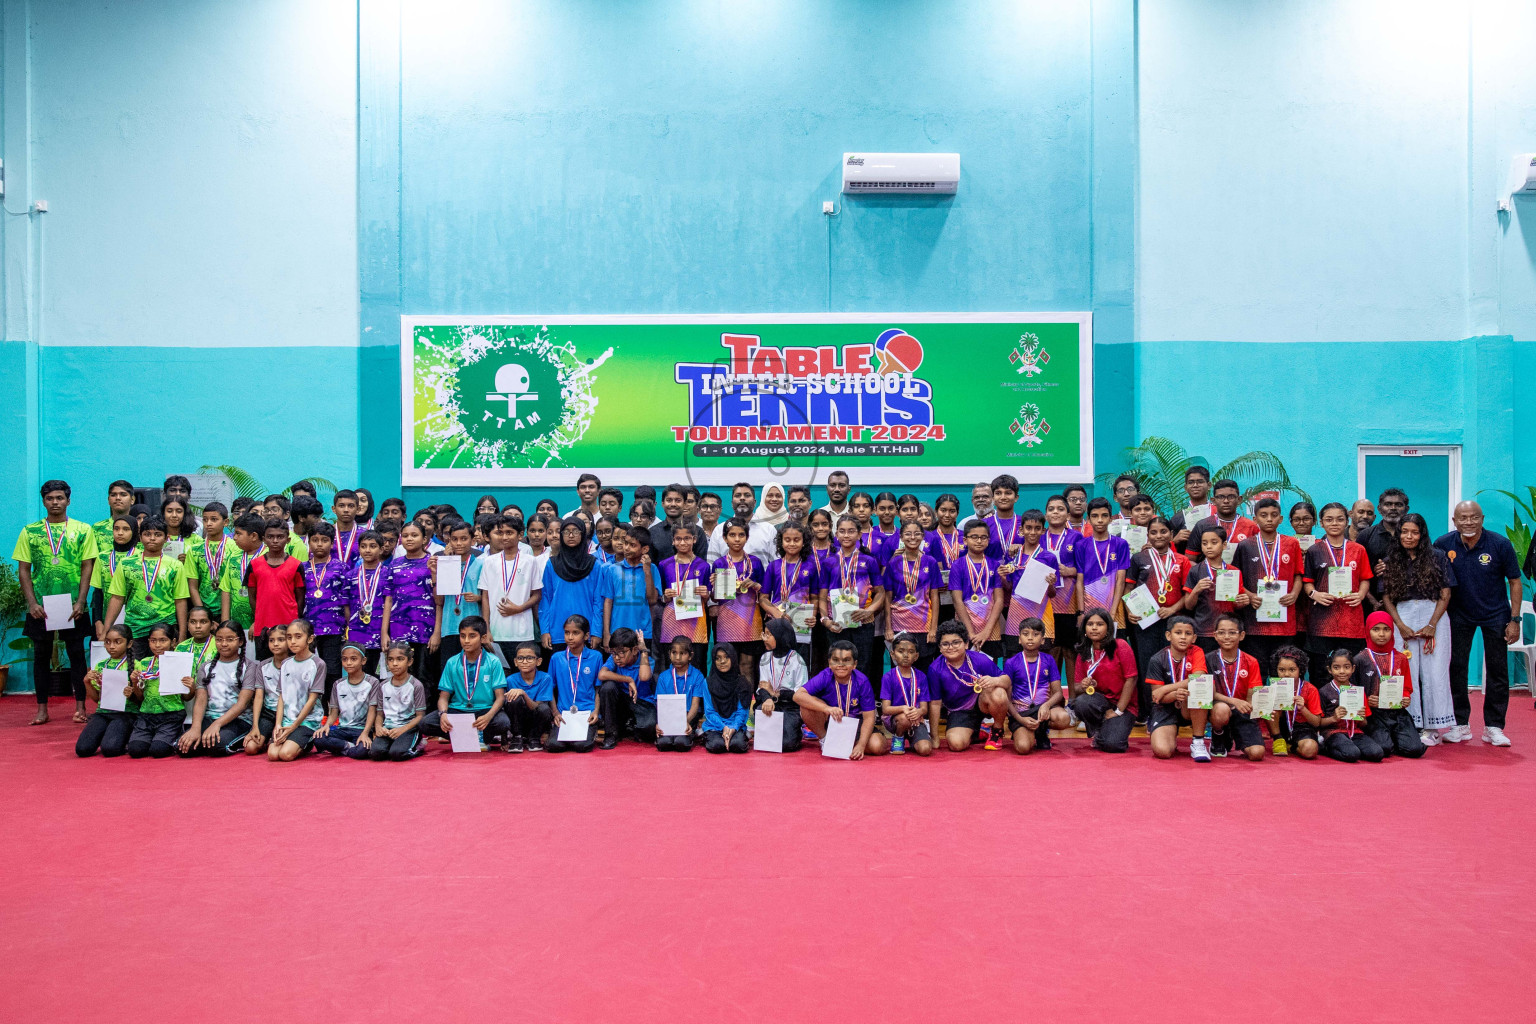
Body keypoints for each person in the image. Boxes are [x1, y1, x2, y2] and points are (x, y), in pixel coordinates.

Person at [1435, 500, 1521, 747]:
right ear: (1455, 521)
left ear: (1482, 518)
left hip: (1496, 615)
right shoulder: (1443, 544)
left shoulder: (1500, 544)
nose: (1469, 522)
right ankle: (1460, 725)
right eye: (1463, 518)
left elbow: (1515, 582)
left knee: (1497, 670)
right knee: (1457, 668)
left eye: (1474, 517)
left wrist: (1514, 619)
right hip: (1458, 615)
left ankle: (1494, 727)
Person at [13, 479, 98, 725]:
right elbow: (24, 570)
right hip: (42, 605)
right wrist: (32, 603)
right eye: (50, 498)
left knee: (76, 654)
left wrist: (81, 601)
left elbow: (87, 566)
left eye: (59, 498)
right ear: (44, 501)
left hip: (73, 605)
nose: (55, 502)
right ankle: (42, 709)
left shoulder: (83, 530)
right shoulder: (30, 531)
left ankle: (81, 707)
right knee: (40, 655)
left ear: (68, 501)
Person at [1378, 512, 1455, 745]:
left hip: (1435, 616)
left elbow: (1445, 593)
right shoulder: (1390, 560)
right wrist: (1399, 625)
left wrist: (1432, 624)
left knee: (1435, 672)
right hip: (1403, 617)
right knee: (1405, 671)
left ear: (1422, 534)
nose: (1408, 536)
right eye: (1404, 531)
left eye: (1414, 532)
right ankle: (1410, 723)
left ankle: (1433, 727)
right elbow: (1386, 597)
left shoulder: (1438, 557)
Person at [1301, 503, 1373, 688]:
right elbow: (1307, 581)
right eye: (1329, 519)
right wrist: (1315, 594)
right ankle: (1322, 714)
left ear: (1347, 522)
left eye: (1340, 519)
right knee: (1320, 672)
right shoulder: (1314, 551)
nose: (1335, 523)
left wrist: (1360, 595)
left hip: (1351, 621)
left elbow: (1365, 578)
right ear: (1321, 523)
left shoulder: (1358, 550)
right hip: (1321, 622)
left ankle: (1351, 714)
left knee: (1352, 671)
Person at [1230, 497, 1305, 671]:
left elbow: (1299, 575)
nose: (1269, 519)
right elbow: (1234, 578)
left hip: (1285, 621)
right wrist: (1250, 596)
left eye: (1274, 515)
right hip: (1255, 621)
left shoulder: (1292, 544)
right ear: (1255, 519)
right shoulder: (1245, 546)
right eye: (1264, 515)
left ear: (1281, 518)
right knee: (1258, 669)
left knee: (1284, 669)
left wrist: (1294, 594)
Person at [103, 515, 190, 659]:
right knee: (136, 672)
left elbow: (180, 600)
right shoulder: (126, 564)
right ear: (140, 537)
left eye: (157, 534)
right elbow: (117, 598)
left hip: (165, 628)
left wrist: (181, 634)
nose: (152, 538)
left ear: (166, 538)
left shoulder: (175, 565)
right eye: (147, 534)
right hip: (135, 628)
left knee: (164, 672)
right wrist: (106, 628)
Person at [421, 616, 510, 748]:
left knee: (503, 723)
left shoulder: (493, 662)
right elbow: (443, 697)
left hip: (484, 710)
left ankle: (472, 736)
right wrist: (443, 714)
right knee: (425, 723)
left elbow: (500, 697)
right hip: (458, 710)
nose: (466, 641)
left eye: (472, 636)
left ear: (483, 638)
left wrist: (488, 716)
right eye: (463, 636)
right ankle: (471, 736)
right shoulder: (452, 662)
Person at [927, 620, 1011, 751]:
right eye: (945, 644)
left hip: (982, 704)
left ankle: (997, 730)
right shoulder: (935, 669)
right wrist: (934, 737)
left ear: (966, 644)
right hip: (959, 711)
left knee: (999, 692)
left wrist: (994, 681)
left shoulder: (979, 659)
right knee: (956, 744)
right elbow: (935, 703)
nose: (951, 647)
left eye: (956, 642)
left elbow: (1006, 680)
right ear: (940, 647)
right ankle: (977, 732)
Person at [177, 619, 256, 757]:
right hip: (210, 717)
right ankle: (202, 739)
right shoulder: (206, 667)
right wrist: (196, 727)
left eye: (230, 639)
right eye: (219, 639)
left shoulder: (249, 667)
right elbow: (200, 700)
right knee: (184, 748)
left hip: (238, 720)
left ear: (241, 642)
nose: (224, 644)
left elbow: (242, 704)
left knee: (216, 747)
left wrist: (217, 724)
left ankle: (240, 739)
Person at [822, 515, 886, 684]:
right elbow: (822, 597)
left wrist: (869, 611)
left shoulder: (869, 561)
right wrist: (825, 620)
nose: (846, 535)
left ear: (859, 535)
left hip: (862, 623)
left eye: (851, 531)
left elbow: (880, 593)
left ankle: (858, 704)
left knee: (862, 664)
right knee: (837, 663)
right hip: (836, 624)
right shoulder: (829, 562)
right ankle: (838, 702)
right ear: (836, 534)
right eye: (842, 531)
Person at [1353, 611, 1426, 759]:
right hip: (1374, 714)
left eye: (1386, 629)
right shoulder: (1360, 659)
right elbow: (1353, 689)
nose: (1381, 634)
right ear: (1368, 631)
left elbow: (1407, 686)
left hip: (1397, 712)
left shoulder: (1400, 658)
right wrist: (1367, 701)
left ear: (1392, 632)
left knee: (1415, 750)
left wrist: (1405, 698)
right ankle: (1388, 739)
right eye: (1376, 629)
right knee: (1384, 748)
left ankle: (1396, 738)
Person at [793, 639, 877, 759]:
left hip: (856, 725)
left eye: (846, 660)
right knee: (806, 704)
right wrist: (827, 708)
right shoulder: (826, 675)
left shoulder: (862, 681)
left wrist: (861, 745)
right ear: (829, 662)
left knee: (877, 745)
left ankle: (848, 745)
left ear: (855, 664)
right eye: (836, 660)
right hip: (831, 722)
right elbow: (798, 696)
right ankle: (825, 740)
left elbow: (869, 717)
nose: (841, 665)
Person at [1070, 608, 1138, 752]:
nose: (1094, 628)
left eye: (1100, 624)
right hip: (1100, 703)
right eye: (1090, 624)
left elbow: (1131, 679)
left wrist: (1118, 711)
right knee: (1081, 703)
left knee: (1113, 745)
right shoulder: (1083, 652)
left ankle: (1106, 732)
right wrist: (1084, 685)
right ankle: (1101, 729)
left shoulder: (1121, 645)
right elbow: (1076, 688)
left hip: (1124, 706)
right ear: (1084, 628)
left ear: (1108, 628)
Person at [709, 517, 767, 682]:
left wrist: (755, 584)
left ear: (747, 538)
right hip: (727, 621)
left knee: (747, 664)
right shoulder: (719, 563)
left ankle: (747, 704)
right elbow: (715, 597)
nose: (736, 539)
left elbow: (764, 591)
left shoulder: (755, 563)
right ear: (725, 538)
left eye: (741, 535)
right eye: (732, 535)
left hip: (750, 620)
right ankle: (731, 704)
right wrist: (714, 586)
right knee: (728, 664)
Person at [479, 516, 541, 668]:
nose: (504, 537)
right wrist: (486, 629)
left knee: (522, 672)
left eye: (509, 532)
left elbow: (537, 595)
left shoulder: (530, 561)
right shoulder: (489, 562)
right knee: (500, 675)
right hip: (496, 630)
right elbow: (485, 597)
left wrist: (519, 608)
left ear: (520, 535)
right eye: (500, 533)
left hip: (523, 631)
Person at [1145, 615, 1209, 760]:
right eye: (1178, 633)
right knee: (1163, 751)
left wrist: (1167, 688)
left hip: (1189, 706)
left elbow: (1198, 677)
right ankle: (1169, 734)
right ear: (1168, 635)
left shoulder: (1197, 651)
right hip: (1165, 707)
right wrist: (1174, 694)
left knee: (1201, 686)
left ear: (1194, 638)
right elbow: (1157, 696)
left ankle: (1198, 741)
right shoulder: (1157, 659)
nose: (1183, 637)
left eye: (1188, 634)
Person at [1205, 613, 1266, 761]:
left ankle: (1234, 733)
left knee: (1257, 753)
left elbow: (1252, 695)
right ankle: (1219, 735)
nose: (1227, 636)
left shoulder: (1251, 661)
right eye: (1222, 632)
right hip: (1218, 709)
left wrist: (1256, 709)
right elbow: (1208, 693)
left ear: (1242, 635)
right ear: (1215, 635)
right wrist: (1233, 702)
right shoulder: (1207, 659)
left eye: (1232, 632)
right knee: (1221, 709)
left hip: (1241, 711)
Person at [1003, 618, 1069, 754]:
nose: (1030, 638)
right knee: (1023, 748)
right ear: (1019, 639)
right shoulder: (1011, 663)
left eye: (1035, 634)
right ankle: (1024, 732)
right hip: (1021, 713)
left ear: (1043, 640)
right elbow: (1006, 699)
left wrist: (1046, 705)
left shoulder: (1048, 660)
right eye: (1025, 634)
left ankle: (1041, 732)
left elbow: (1058, 693)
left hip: (1042, 711)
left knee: (1064, 718)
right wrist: (1019, 719)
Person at [539, 517, 604, 655]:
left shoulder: (594, 565)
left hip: (586, 632)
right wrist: (545, 630)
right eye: (566, 531)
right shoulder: (552, 564)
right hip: (557, 631)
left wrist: (596, 632)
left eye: (575, 531)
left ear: (583, 534)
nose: (570, 535)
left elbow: (598, 602)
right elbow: (545, 600)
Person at [999, 509, 1058, 660]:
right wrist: (1003, 578)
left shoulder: (1049, 557)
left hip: (1041, 613)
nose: (1032, 532)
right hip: (1016, 615)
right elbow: (1009, 588)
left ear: (1043, 531)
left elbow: (1052, 594)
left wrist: (1051, 584)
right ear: (1021, 530)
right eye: (1028, 528)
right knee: (1013, 658)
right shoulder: (1013, 555)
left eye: (1037, 528)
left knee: (1042, 659)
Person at [125, 624, 189, 758]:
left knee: (158, 750)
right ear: (148, 642)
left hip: (171, 714)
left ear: (173, 642)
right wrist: (135, 683)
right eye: (153, 641)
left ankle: (174, 735)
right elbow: (140, 698)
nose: (157, 645)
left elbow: (187, 697)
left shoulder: (181, 662)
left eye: (163, 640)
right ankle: (154, 737)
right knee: (135, 750)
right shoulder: (144, 663)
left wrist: (191, 687)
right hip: (147, 715)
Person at [245, 519, 306, 659]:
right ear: (264, 539)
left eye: (280, 537)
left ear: (288, 539)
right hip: (263, 629)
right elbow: (252, 596)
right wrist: (259, 616)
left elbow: (300, 597)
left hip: (289, 628)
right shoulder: (254, 565)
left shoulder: (296, 565)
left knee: (289, 666)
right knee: (265, 667)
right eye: (271, 537)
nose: (275, 540)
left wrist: (295, 623)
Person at [882, 520, 941, 665]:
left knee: (924, 666)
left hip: (924, 624)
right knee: (900, 667)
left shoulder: (930, 561)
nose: (912, 537)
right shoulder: (893, 563)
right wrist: (888, 628)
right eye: (908, 534)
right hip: (898, 624)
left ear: (923, 537)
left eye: (917, 534)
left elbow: (934, 596)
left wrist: (933, 629)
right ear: (901, 537)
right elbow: (887, 597)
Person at [761, 522, 820, 665]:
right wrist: (776, 612)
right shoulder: (773, 566)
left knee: (801, 663)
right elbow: (763, 598)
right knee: (775, 663)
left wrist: (813, 615)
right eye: (787, 540)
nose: (792, 543)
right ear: (781, 542)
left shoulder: (810, 566)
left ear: (804, 542)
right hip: (776, 623)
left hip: (801, 625)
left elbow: (815, 597)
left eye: (796, 540)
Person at [268, 619, 326, 762]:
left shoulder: (318, 664)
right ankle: (292, 739)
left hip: (307, 722)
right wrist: (278, 724)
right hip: (287, 721)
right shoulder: (286, 663)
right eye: (289, 637)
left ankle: (309, 741)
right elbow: (281, 696)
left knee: (285, 754)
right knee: (273, 755)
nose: (292, 641)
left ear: (310, 638)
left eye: (298, 637)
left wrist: (294, 726)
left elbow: (312, 699)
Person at [302, 522, 349, 690]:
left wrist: (347, 625)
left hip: (334, 627)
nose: (319, 544)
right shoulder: (303, 568)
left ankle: (331, 708)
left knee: (332, 669)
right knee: (310, 669)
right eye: (315, 540)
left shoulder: (341, 568)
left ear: (332, 543)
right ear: (309, 542)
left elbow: (346, 600)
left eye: (324, 540)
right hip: (308, 629)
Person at [431, 520, 483, 672]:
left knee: (472, 671)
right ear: (449, 540)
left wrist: (477, 598)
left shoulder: (481, 564)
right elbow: (439, 601)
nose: (459, 543)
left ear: (472, 540)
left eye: (464, 538)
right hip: (449, 627)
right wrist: (435, 574)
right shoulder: (445, 564)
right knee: (450, 672)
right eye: (454, 539)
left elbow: (488, 598)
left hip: (473, 625)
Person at [77, 624, 137, 757]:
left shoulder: (136, 665)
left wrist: (132, 693)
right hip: (103, 713)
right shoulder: (100, 665)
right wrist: (87, 682)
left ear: (129, 643)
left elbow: (141, 699)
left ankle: (126, 737)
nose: (111, 646)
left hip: (126, 714)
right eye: (107, 642)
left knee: (110, 749)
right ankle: (109, 733)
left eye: (117, 642)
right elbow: (96, 699)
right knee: (82, 749)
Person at [546, 614, 602, 752]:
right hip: (564, 714)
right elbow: (549, 689)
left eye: (575, 633)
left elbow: (598, 688)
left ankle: (591, 732)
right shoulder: (556, 658)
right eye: (567, 633)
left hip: (587, 714)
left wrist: (596, 711)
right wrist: (555, 713)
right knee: (553, 746)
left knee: (582, 747)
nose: (570, 637)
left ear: (586, 635)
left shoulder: (595, 657)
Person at [657, 524, 710, 670]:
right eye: (678, 539)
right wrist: (665, 596)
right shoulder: (664, 565)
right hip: (672, 620)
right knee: (671, 664)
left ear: (694, 539)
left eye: (687, 538)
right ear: (673, 541)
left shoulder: (704, 566)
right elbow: (660, 595)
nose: (682, 542)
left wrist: (706, 594)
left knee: (697, 663)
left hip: (696, 622)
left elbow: (707, 597)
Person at [312, 643, 378, 758]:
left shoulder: (372, 682)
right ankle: (348, 747)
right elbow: (334, 712)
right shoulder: (338, 684)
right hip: (342, 729)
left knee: (362, 750)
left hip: (361, 730)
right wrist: (326, 726)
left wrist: (365, 733)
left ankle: (341, 749)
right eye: (345, 659)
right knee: (318, 738)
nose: (348, 663)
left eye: (353, 659)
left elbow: (373, 710)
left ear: (363, 661)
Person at [1317, 648, 1383, 763]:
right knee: (1352, 754)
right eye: (1336, 667)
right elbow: (1318, 723)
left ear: (1353, 669)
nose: (1342, 671)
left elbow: (1364, 723)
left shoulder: (1358, 691)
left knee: (1377, 753)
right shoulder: (1324, 691)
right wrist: (1333, 718)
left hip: (1355, 732)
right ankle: (1326, 748)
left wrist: (1362, 718)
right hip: (1333, 732)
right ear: (1330, 670)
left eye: (1346, 667)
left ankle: (1350, 748)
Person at [872, 632, 933, 756]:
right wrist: (904, 709)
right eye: (901, 651)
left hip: (916, 719)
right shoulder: (888, 677)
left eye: (911, 652)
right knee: (904, 718)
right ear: (893, 654)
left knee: (925, 750)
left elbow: (924, 708)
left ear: (916, 656)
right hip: (896, 719)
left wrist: (918, 712)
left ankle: (914, 737)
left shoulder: (921, 676)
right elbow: (885, 709)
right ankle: (898, 737)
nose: (906, 655)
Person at [949, 520, 1004, 658]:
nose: (979, 541)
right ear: (965, 540)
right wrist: (971, 633)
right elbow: (957, 601)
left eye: (983, 537)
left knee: (990, 672)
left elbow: (999, 600)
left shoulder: (994, 565)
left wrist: (987, 631)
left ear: (988, 540)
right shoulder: (958, 565)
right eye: (974, 537)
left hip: (991, 630)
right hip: (965, 629)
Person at [601, 524, 659, 650]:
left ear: (644, 549)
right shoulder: (612, 569)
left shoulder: (652, 569)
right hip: (617, 631)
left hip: (643, 633)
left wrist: (647, 571)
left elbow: (653, 600)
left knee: (642, 667)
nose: (626, 548)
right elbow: (608, 601)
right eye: (626, 543)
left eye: (632, 545)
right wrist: (606, 633)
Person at [367, 642, 428, 760]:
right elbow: (379, 713)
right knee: (376, 753)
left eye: (400, 659)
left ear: (409, 662)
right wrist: (379, 727)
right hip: (388, 729)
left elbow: (420, 716)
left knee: (397, 754)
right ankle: (392, 746)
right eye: (391, 659)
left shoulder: (416, 685)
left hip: (408, 729)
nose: (395, 664)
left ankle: (419, 745)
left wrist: (402, 729)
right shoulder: (383, 686)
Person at [1074, 498, 1129, 627]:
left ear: (1111, 519)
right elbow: (1079, 581)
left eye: (1104, 516)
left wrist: (1113, 611)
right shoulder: (1081, 545)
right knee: (1089, 645)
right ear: (1088, 519)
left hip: (1114, 607)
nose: (1100, 520)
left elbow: (1120, 581)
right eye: (1095, 516)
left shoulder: (1121, 544)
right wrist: (1081, 612)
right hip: (1089, 606)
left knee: (1114, 645)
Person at [756, 617, 807, 751]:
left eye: (769, 635)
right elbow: (762, 687)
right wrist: (767, 698)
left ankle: (797, 732)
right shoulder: (765, 658)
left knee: (787, 744)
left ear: (780, 636)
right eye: (764, 634)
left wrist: (774, 693)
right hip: (772, 704)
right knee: (767, 743)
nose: (764, 638)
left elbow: (800, 694)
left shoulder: (797, 660)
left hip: (791, 707)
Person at [597, 627, 653, 747]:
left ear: (634, 650)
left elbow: (644, 676)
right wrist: (628, 679)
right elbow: (602, 674)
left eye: (622, 652)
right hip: (622, 701)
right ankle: (610, 735)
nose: (617, 657)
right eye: (613, 653)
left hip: (642, 702)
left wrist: (643, 650)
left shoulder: (646, 660)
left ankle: (631, 727)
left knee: (650, 728)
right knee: (608, 687)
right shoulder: (613, 660)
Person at [242, 624, 289, 756]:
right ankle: (265, 739)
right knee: (250, 748)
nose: (275, 644)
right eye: (271, 640)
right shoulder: (263, 666)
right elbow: (258, 696)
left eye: (281, 639)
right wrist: (255, 726)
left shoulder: (294, 664)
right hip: (268, 714)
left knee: (277, 751)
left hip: (289, 715)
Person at [218, 512, 267, 633]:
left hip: (261, 624)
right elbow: (226, 590)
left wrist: (259, 621)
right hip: (236, 625)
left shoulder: (267, 557)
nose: (234, 537)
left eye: (239, 534)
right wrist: (225, 623)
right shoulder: (233, 556)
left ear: (254, 536)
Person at [90, 515, 138, 640]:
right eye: (116, 529)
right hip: (107, 618)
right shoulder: (102, 557)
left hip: (134, 619)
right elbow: (98, 592)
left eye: (126, 529)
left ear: (134, 532)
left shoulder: (140, 556)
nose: (120, 533)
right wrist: (98, 621)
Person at [501, 641, 555, 751]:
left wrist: (524, 693)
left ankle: (534, 738)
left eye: (529, 658)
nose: (524, 662)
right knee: (515, 700)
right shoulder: (510, 680)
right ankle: (517, 738)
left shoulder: (545, 678)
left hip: (536, 721)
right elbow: (505, 708)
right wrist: (504, 739)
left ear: (538, 661)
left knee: (544, 708)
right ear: (515, 662)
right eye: (520, 658)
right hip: (517, 722)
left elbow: (538, 707)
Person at [655, 637, 706, 751]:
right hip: (668, 716)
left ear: (690, 656)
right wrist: (660, 723)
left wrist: (685, 722)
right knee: (664, 744)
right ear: (669, 654)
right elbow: (661, 704)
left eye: (682, 653)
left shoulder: (697, 676)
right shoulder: (663, 677)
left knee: (681, 743)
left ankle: (690, 733)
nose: (677, 657)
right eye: (674, 653)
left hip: (688, 716)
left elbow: (695, 705)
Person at [701, 643, 752, 753]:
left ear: (733, 658)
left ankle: (740, 735)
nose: (722, 661)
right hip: (714, 725)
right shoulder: (708, 682)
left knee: (738, 746)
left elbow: (742, 712)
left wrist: (732, 728)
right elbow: (709, 711)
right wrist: (724, 728)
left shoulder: (742, 683)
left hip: (736, 725)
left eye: (726, 657)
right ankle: (711, 736)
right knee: (716, 746)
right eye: (718, 658)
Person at [707, 483, 777, 563]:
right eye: (738, 495)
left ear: (754, 503)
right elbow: (712, 564)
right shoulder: (719, 530)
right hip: (726, 575)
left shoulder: (769, 530)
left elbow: (776, 565)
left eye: (747, 495)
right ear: (732, 503)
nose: (742, 498)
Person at [649, 483, 707, 562]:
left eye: (678, 500)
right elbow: (651, 567)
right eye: (669, 500)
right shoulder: (653, 533)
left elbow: (701, 565)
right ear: (663, 503)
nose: (673, 504)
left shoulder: (698, 532)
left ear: (685, 504)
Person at [1167, 466, 1213, 554]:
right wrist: (1174, 541)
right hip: (1187, 565)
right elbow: (1165, 549)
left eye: (1200, 481)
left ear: (1209, 485)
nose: (1195, 485)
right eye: (1191, 482)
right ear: (1185, 487)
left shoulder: (1218, 513)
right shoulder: (1177, 518)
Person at [92, 479, 136, 554]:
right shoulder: (97, 528)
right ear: (108, 500)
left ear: (132, 499)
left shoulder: (139, 528)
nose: (118, 498)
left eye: (123, 494)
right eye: (113, 495)